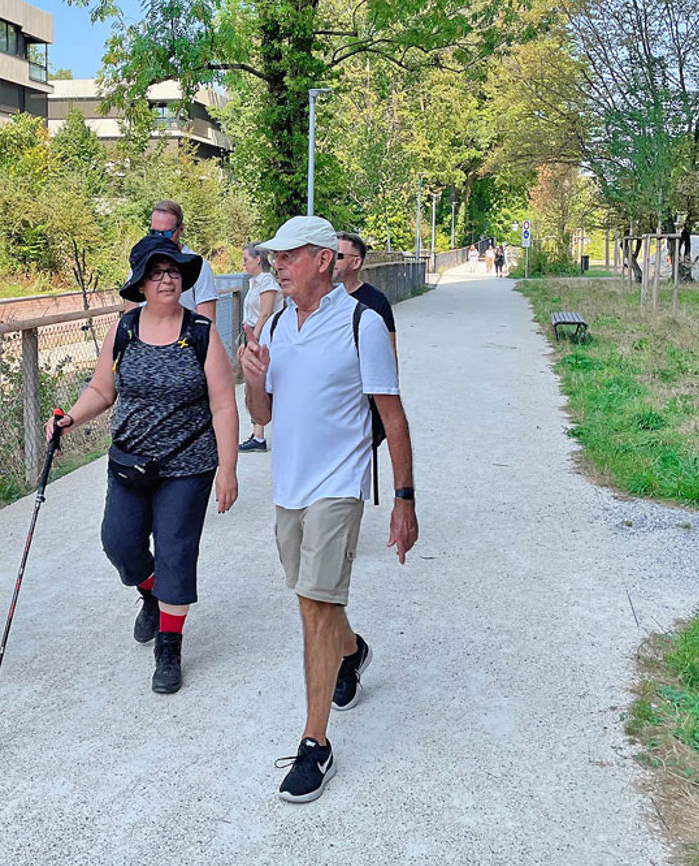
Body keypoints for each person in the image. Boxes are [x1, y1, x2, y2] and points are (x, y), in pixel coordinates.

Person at [239, 216, 418, 803]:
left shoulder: (361, 322)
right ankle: (353, 651)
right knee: (312, 599)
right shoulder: (277, 323)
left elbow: (392, 417)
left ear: (323, 260)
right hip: (288, 486)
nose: (277, 267)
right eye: (274, 258)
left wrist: (403, 499)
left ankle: (315, 744)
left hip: (339, 484)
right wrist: (253, 380)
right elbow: (261, 415)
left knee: (315, 603)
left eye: (289, 257)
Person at [49, 234, 239, 694]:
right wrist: (72, 417)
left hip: (188, 464)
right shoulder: (125, 330)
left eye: (173, 270)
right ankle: (150, 594)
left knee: (176, 551)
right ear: (141, 282)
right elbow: (101, 390)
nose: (167, 278)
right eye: (157, 272)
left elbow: (224, 406)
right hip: (129, 462)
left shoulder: (200, 333)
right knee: (120, 545)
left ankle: (169, 646)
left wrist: (228, 469)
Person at [144, 200, 219, 320]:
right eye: (154, 233)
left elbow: (207, 324)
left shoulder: (199, 266)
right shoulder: (141, 263)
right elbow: (131, 312)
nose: (159, 239)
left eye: (166, 233)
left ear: (181, 230)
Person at [239, 242, 281, 452]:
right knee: (254, 382)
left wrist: (253, 340)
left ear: (258, 259)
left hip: (264, 336)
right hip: (254, 332)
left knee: (264, 381)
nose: (243, 263)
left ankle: (260, 434)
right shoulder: (254, 282)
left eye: (246, 259)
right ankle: (258, 434)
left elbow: (265, 313)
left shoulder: (267, 282)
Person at [334, 232, 397, 356]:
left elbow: (389, 351)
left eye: (338, 256)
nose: (330, 260)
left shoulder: (377, 301)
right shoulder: (317, 298)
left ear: (356, 262)